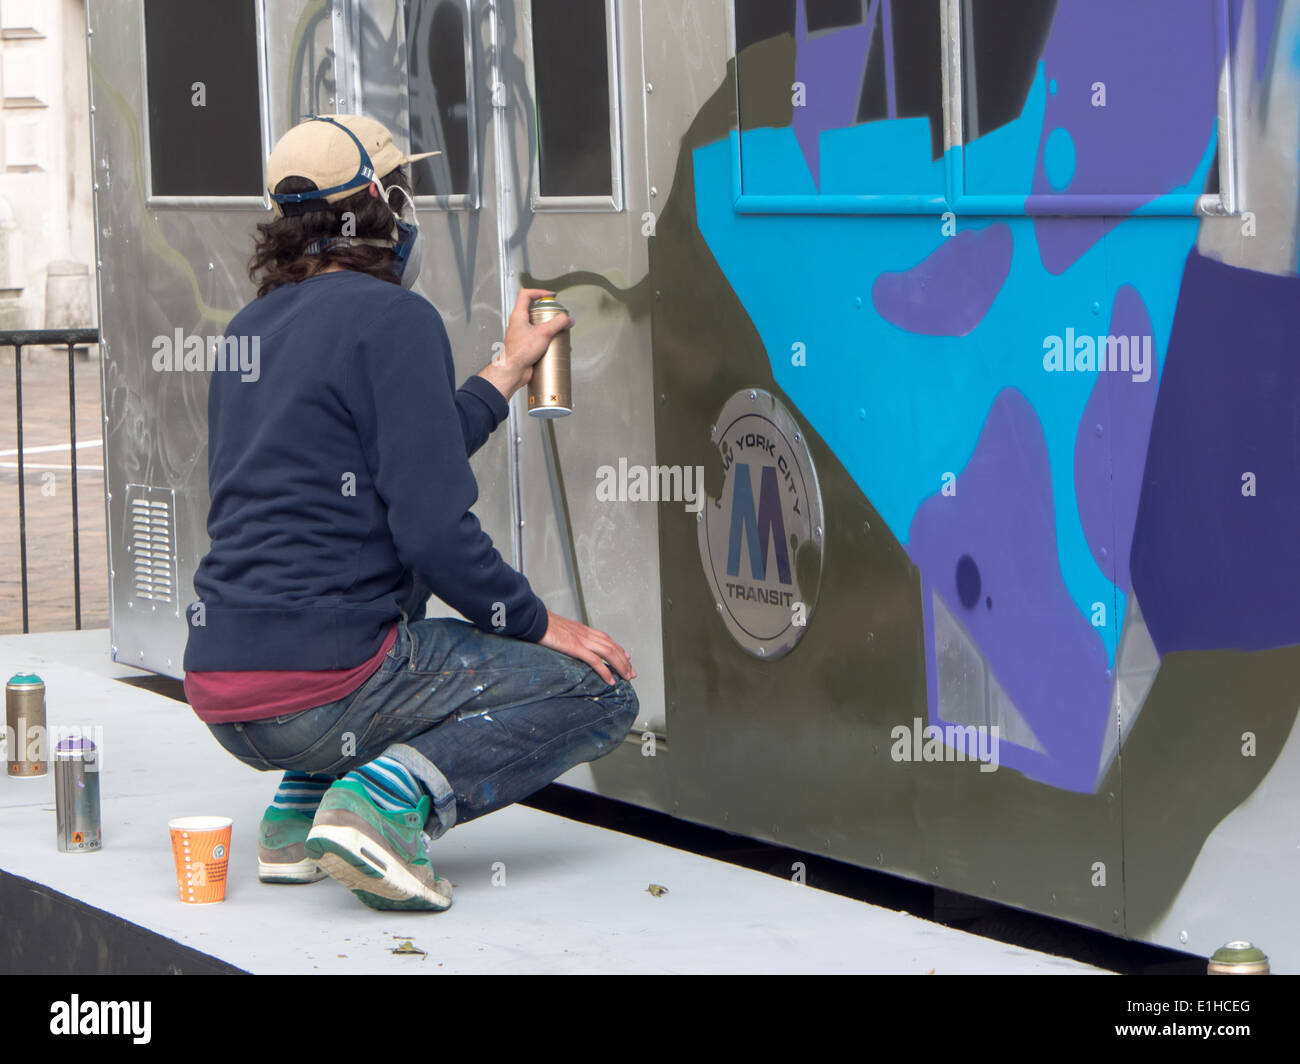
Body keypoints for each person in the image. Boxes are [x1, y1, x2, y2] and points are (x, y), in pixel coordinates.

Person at [182, 114, 638, 912]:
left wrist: (505, 371)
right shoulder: (394, 319)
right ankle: (382, 806)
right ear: (381, 201)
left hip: (224, 683)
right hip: (322, 683)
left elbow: (402, 455)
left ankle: (297, 818)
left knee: (388, 609)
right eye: (407, 190)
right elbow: (428, 523)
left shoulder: (248, 330)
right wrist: (534, 622)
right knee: (598, 690)